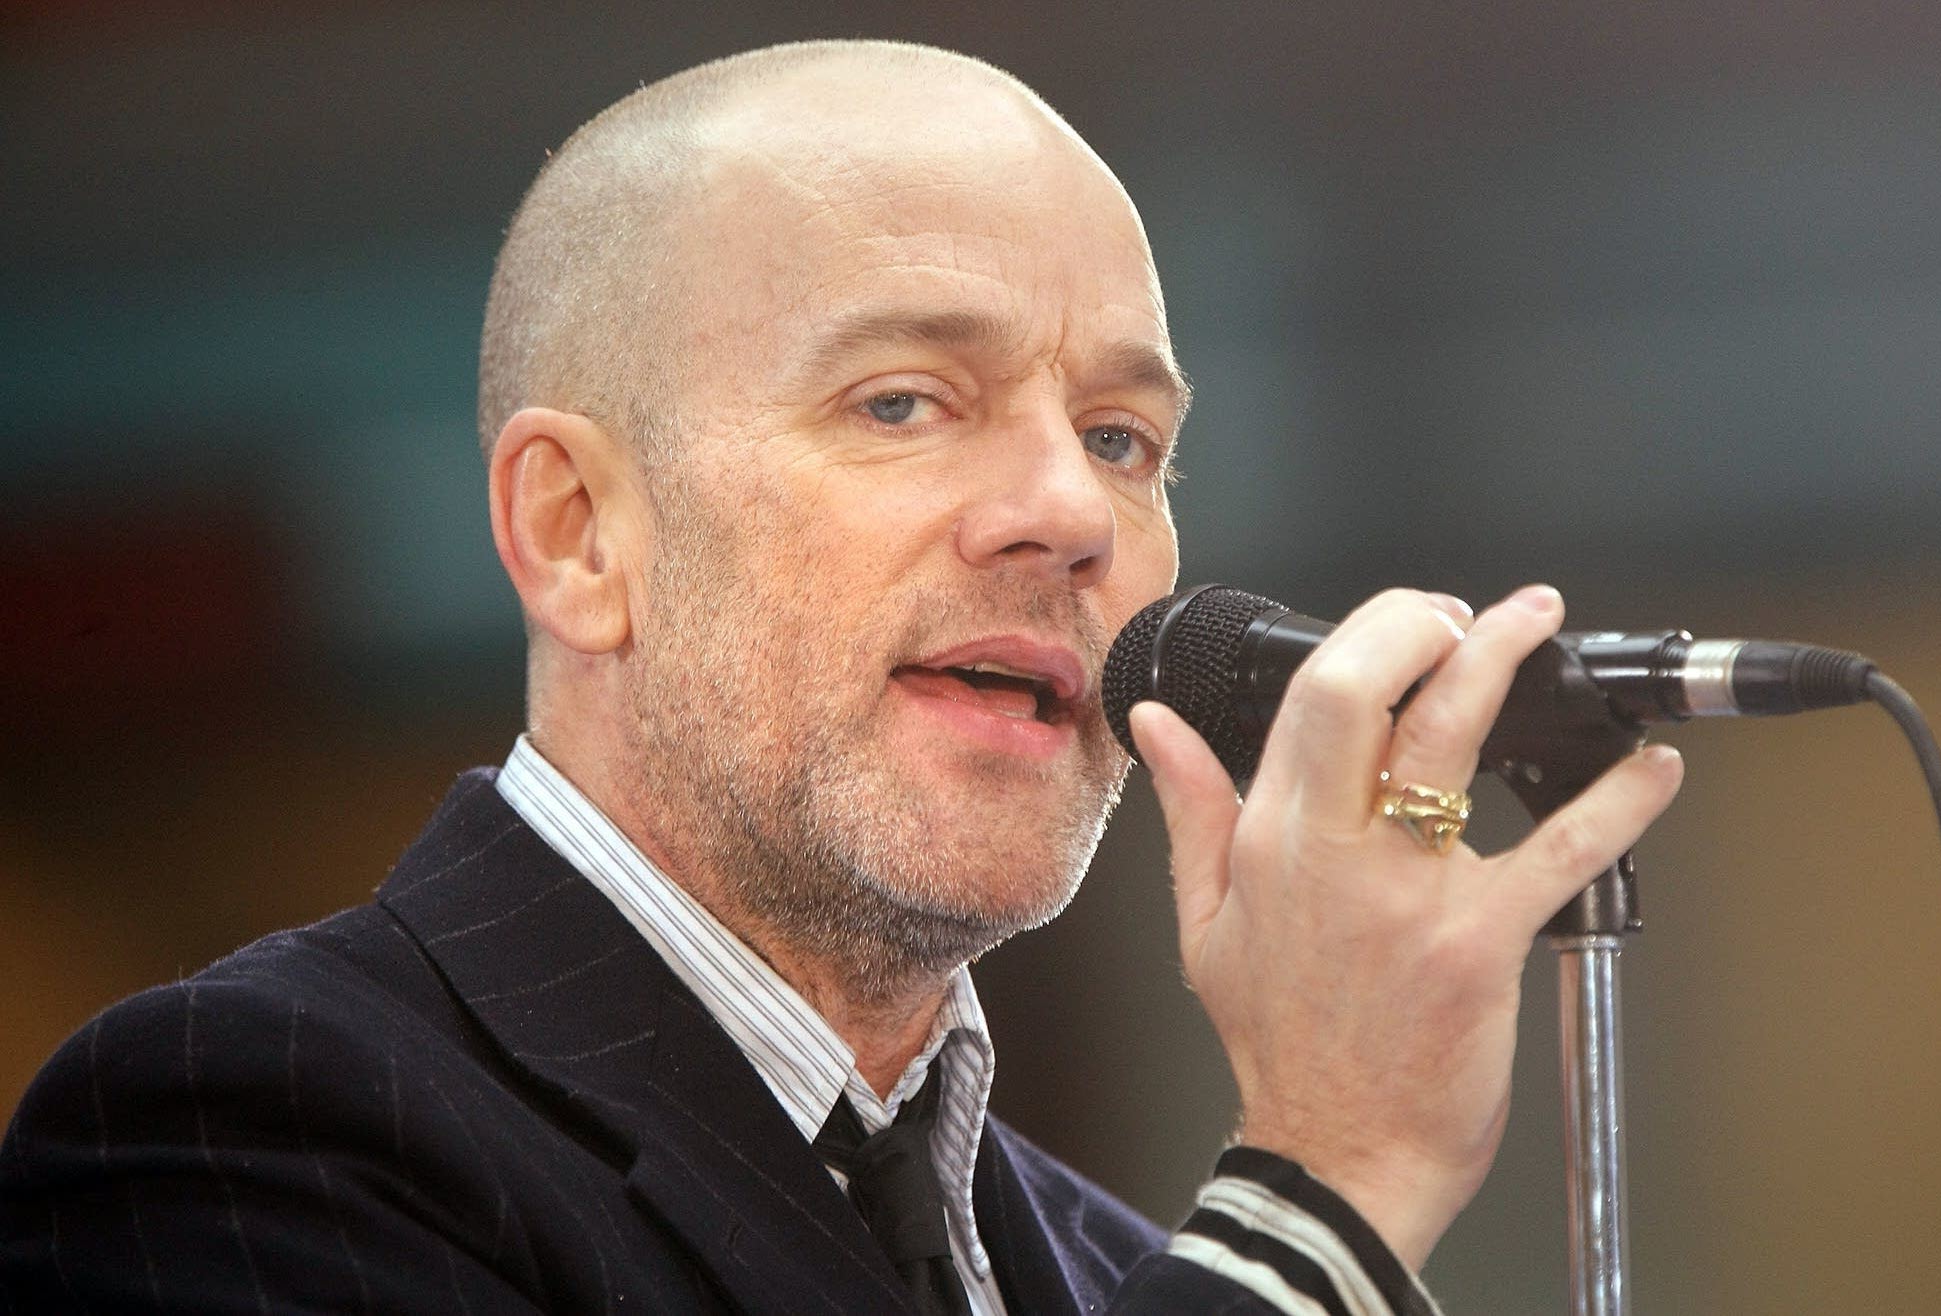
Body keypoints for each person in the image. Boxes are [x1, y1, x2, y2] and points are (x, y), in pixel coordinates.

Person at [0, 40, 1683, 1314]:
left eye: (1122, 437)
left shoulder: (1116, 1269)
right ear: (579, 531)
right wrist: (1327, 1181)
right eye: (903, 402)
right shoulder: (244, 1130)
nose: (1069, 513)